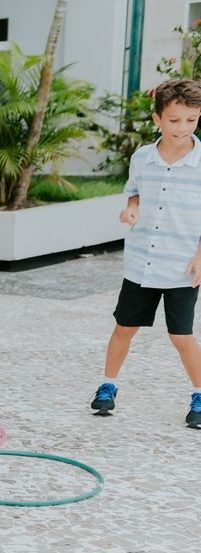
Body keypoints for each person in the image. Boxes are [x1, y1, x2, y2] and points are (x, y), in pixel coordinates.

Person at [89, 78, 201, 428]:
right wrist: (131, 208)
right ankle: (107, 386)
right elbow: (134, 193)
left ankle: (199, 393)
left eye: (191, 119)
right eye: (174, 120)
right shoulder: (142, 158)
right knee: (124, 327)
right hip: (140, 263)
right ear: (157, 119)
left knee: (181, 336)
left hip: (183, 266)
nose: (182, 127)